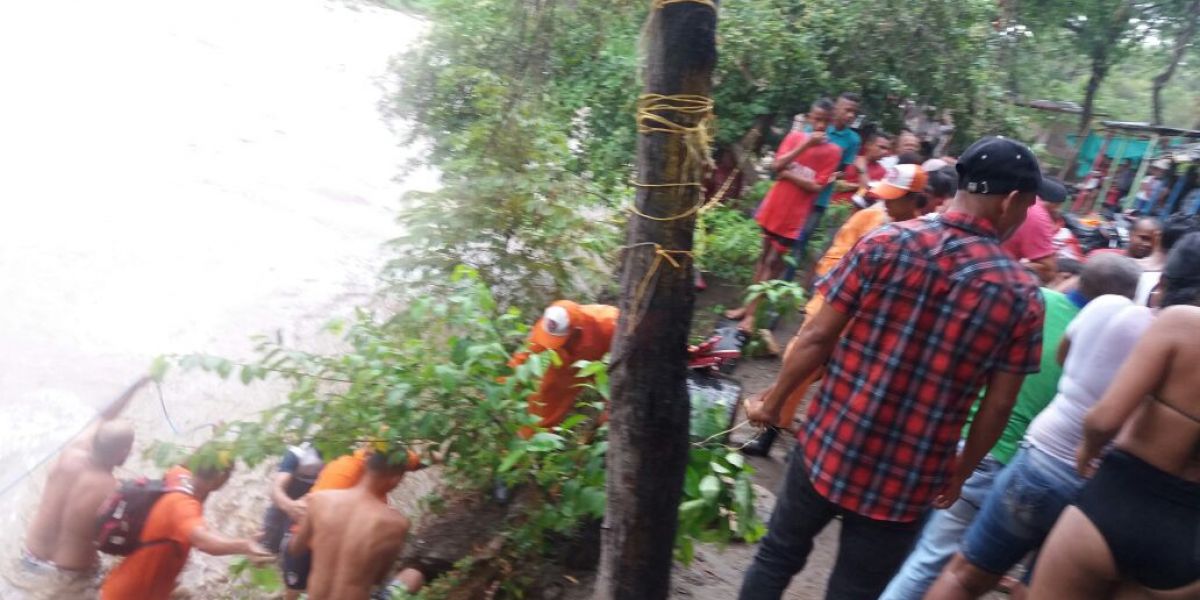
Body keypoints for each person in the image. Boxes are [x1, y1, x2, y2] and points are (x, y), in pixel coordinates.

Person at [737, 136, 1046, 600]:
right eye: (1028, 206)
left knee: (777, 555)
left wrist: (773, 401)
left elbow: (818, 336)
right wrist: (960, 473)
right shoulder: (1021, 295)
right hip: (910, 478)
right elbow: (1000, 404)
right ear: (1011, 201)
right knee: (856, 590)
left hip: (830, 443)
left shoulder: (884, 242)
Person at [881, 254, 1142, 600]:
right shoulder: (1109, 346)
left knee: (919, 546)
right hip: (1003, 457)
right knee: (933, 563)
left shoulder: (1035, 302)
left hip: (962, 435)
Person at [1029, 233, 1200, 599]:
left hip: (1120, 499)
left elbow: (1104, 419)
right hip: (1187, 537)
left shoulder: (1182, 323)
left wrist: (1087, 452)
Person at [741, 164, 929, 457]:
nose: (887, 203)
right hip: (832, 314)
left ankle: (809, 447)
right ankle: (769, 435)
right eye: (886, 196)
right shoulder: (869, 218)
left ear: (916, 200)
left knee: (841, 388)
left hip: (867, 331)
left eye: (895, 197)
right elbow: (833, 258)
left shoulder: (924, 240)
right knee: (797, 368)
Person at [18, 377, 148, 598]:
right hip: (71, 576)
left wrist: (136, 385)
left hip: (29, 559)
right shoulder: (116, 491)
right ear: (123, 453)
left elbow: (103, 416)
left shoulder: (69, 453)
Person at [725, 98, 841, 331]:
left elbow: (817, 187)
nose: (820, 125)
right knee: (762, 257)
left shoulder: (833, 151)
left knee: (775, 264)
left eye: (825, 122)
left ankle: (753, 317)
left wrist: (788, 175)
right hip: (775, 207)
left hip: (795, 216)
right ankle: (746, 309)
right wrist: (805, 146)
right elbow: (777, 166)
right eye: (816, 119)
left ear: (830, 123)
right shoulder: (795, 138)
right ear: (809, 118)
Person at [100, 448, 271, 600]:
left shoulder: (178, 474)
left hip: (125, 584)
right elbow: (204, 541)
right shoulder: (184, 508)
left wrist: (216, 442)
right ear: (221, 477)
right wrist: (244, 545)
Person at [289, 448, 426, 600]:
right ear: (395, 478)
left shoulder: (319, 500)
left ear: (366, 466)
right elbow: (378, 578)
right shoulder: (397, 524)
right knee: (413, 575)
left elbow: (295, 548)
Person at [509, 300, 618, 431]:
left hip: (600, 366)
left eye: (561, 340)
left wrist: (611, 405)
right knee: (539, 408)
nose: (555, 343)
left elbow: (631, 365)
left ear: (576, 330)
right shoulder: (546, 327)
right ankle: (530, 443)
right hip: (560, 370)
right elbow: (524, 355)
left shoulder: (608, 322)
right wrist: (504, 383)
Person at [1001, 177, 1069, 284]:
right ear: (1055, 205)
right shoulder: (1037, 215)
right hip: (994, 274)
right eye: (1058, 207)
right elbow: (1048, 270)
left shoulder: (1010, 196)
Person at [260, 443, 324, 554]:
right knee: (266, 543)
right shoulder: (298, 452)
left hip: (309, 501)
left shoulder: (342, 458)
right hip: (286, 499)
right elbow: (276, 489)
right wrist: (290, 506)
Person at [843, 130, 890, 209]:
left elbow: (867, 193)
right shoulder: (851, 159)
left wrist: (862, 169)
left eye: (886, 149)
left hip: (854, 211)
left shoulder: (882, 172)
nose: (885, 152)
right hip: (833, 207)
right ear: (868, 145)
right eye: (881, 147)